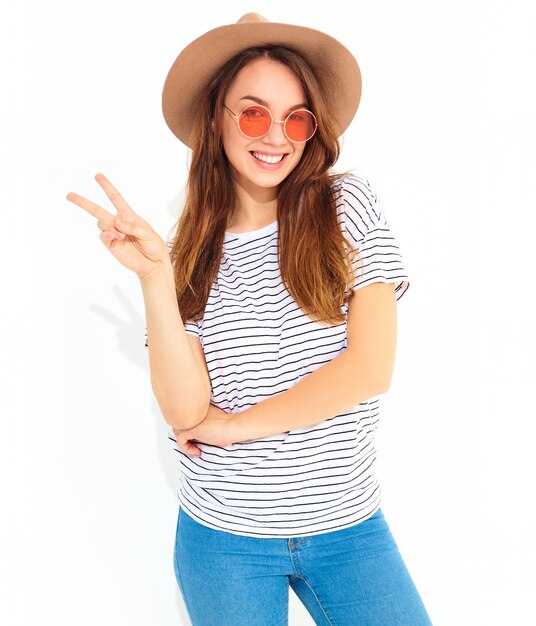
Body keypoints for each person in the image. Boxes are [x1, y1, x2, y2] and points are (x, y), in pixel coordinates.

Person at [66, 12, 433, 626]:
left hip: (349, 529)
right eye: (255, 112)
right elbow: (187, 414)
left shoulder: (348, 205)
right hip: (224, 541)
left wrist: (233, 429)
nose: (277, 136)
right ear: (218, 118)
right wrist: (156, 277)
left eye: (296, 118)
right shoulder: (189, 252)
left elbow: (369, 369)